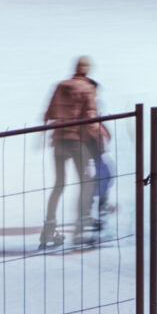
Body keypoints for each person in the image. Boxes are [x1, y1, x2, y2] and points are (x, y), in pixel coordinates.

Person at [38, 59, 107, 249]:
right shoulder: (87, 88)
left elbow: (48, 113)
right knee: (86, 183)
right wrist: (103, 135)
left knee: (59, 184)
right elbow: (91, 119)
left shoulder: (60, 86)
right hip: (76, 142)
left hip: (58, 141)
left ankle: (48, 230)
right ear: (87, 70)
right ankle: (81, 230)